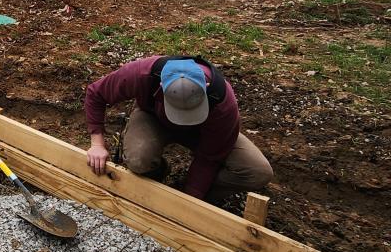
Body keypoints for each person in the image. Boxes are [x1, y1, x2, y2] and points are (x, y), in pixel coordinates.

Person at [84, 56, 272, 202]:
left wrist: (189, 198)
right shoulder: (142, 74)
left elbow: (209, 158)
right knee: (139, 160)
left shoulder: (222, 102)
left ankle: (198, 194)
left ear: (205, 87)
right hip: (153, 118)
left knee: (257, 171)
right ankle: (156, 174)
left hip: (202, 132)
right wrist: (97, 144)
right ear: (161, 87)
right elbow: (96, 93)